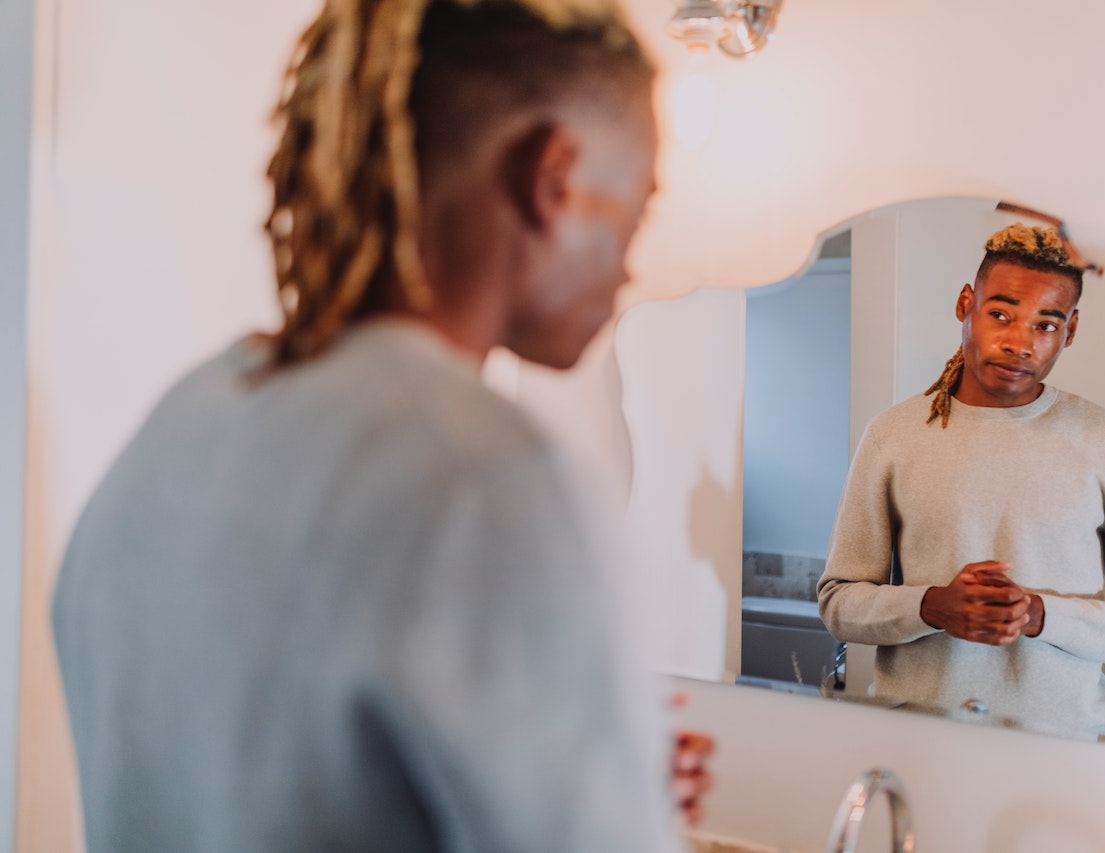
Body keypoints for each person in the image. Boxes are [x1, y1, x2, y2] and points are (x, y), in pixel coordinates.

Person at [51, 1, 709, 850]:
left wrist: (598, 776)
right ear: (551, 178)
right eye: (636, 212)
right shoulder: (490, 475)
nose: (628, 265)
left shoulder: (180, 424)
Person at [817, 223, 1105, 738]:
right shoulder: (893, 436)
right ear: (965, 304)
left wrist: (1041, 616)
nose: (1020, 343)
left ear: (1071, 330)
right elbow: (839, 603)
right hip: (920, 745)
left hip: (1060, 756)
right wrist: (932, 607)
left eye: (1046, 325)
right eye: (1000, 315)